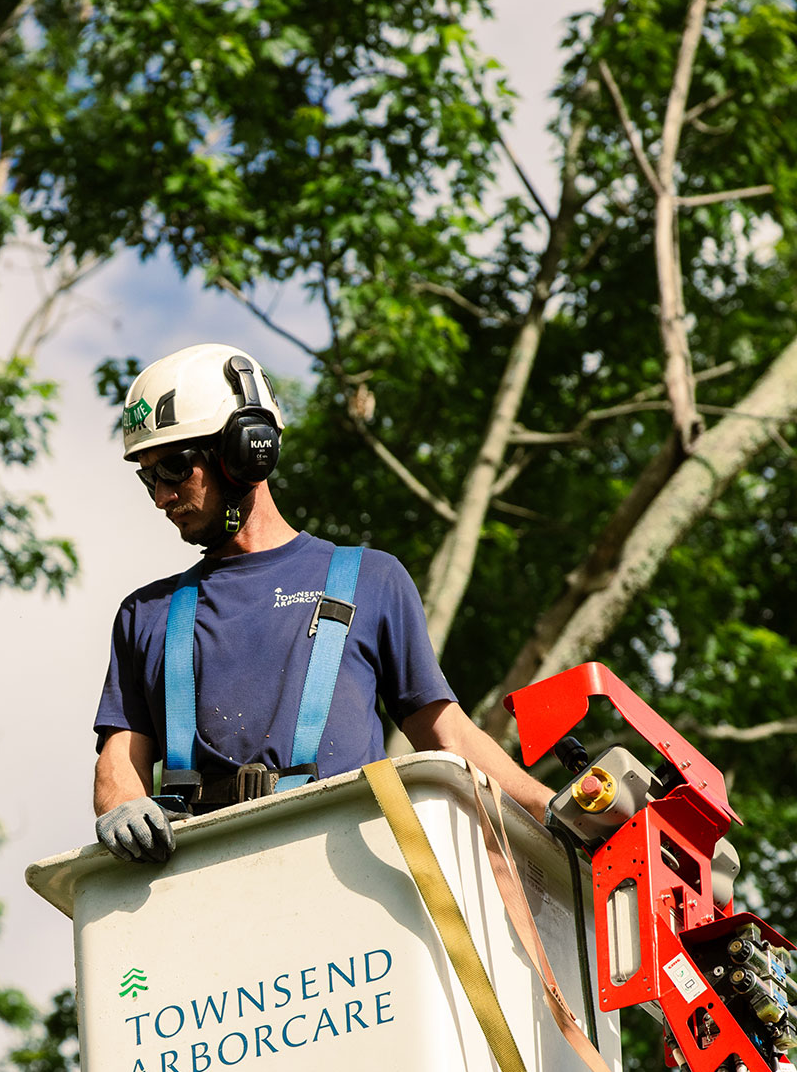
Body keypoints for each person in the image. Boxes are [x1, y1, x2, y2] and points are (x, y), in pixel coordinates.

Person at [93, 342, 552, 861]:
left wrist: (554, 812)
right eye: (147, 476)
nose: (161, 495)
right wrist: (123, 805)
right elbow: (119, 762)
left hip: (348, 879)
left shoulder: (369, 580)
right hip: (204, 880)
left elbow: (449, 737)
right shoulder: (147, 615)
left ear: (245, 451)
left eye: (174, 467)